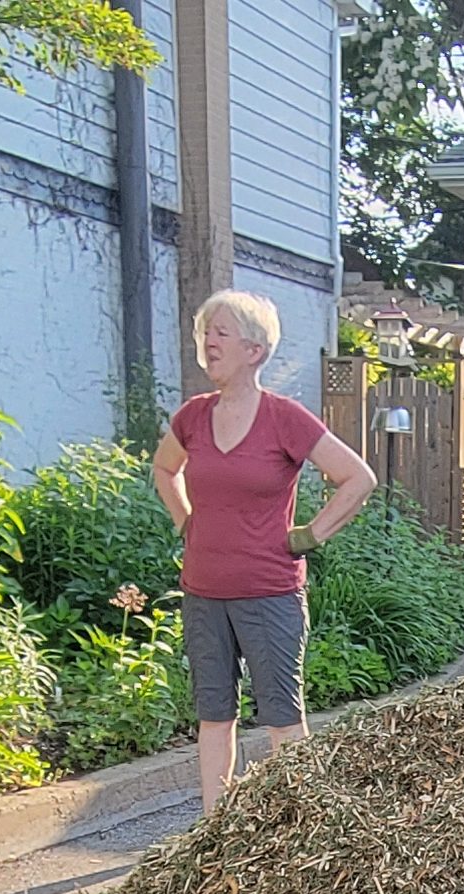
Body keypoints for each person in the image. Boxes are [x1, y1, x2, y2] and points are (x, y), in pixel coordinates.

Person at [153, 290, 378, 812]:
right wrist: (186, 520)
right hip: (203, 592)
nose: (209, 341)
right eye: (206, 332)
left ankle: (290, 825)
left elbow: (357, 478)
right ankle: (214, 823)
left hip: (269, 594)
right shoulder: (192, 417)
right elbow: (166, 470)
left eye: (222, 333)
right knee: (214, 711)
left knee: (281, 713)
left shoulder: (284, 418)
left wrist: (309, 536)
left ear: (254, 349)